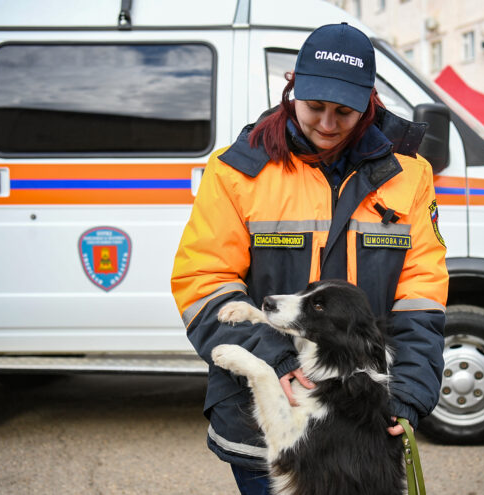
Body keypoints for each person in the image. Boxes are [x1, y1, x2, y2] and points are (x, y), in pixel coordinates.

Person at [171, 23, 448, 494]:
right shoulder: (236, 169)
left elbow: (420, 295)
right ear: (290, 86)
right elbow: (203, 283)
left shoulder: (410, 175)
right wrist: (276, 363)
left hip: (360, 422)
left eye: (343, 111)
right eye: (314, 106)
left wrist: (410, 394)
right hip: (259, 418)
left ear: (370, 101)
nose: (325, 123)